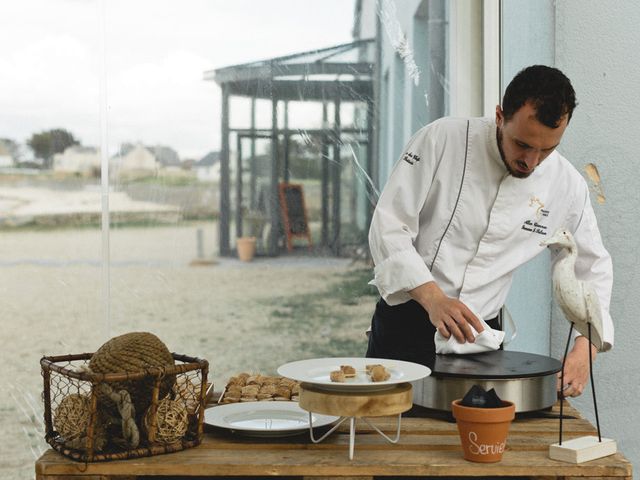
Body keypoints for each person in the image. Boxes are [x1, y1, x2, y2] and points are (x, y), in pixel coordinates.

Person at [366, 65, 613, 398]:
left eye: (548, 149)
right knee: (385, 436)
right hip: (408, 320)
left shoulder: (566, 184)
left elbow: (591, 267)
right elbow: (389, 226)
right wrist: (433, 297)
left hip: (480, 341)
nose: (533, 160)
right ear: (500, 116)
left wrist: (586, 347)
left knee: (475, 443)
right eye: (522, 144)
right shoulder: (442, 139)